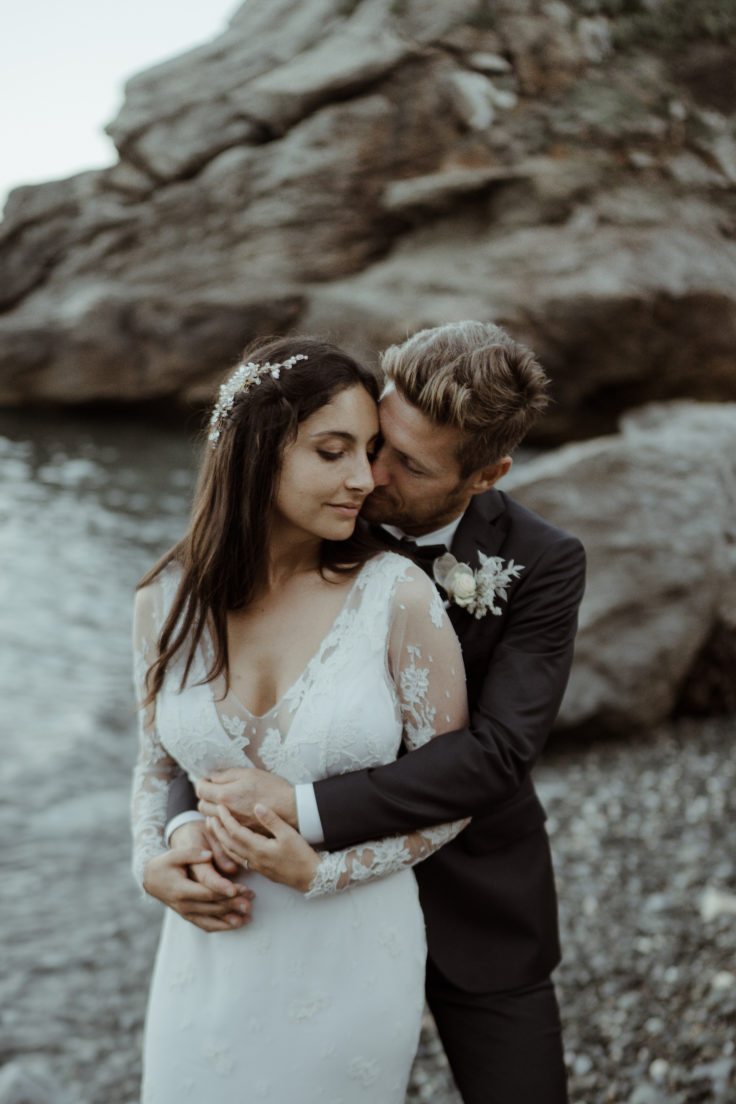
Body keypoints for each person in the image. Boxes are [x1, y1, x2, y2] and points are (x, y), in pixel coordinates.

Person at [155, 321, 587, 1104]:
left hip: (476, 897)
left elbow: (496, 754)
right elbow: (218, 705)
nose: (369, 475)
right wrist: (185, 823)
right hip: (285, 905)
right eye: (365, 440)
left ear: (486, 475)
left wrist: (305, 810)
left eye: (407, 464)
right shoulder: (311, 520)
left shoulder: (546, 561)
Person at [131, 337, 473, 1103]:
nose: (365, 479)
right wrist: (157, 860)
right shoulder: (165, 600)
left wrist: (324, 873)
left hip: (350, 954)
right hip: (204, 956)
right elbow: (156, 767)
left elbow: (454, 793)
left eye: (372, 451)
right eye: (333, 451)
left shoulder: (396, 597)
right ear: (257, 453)